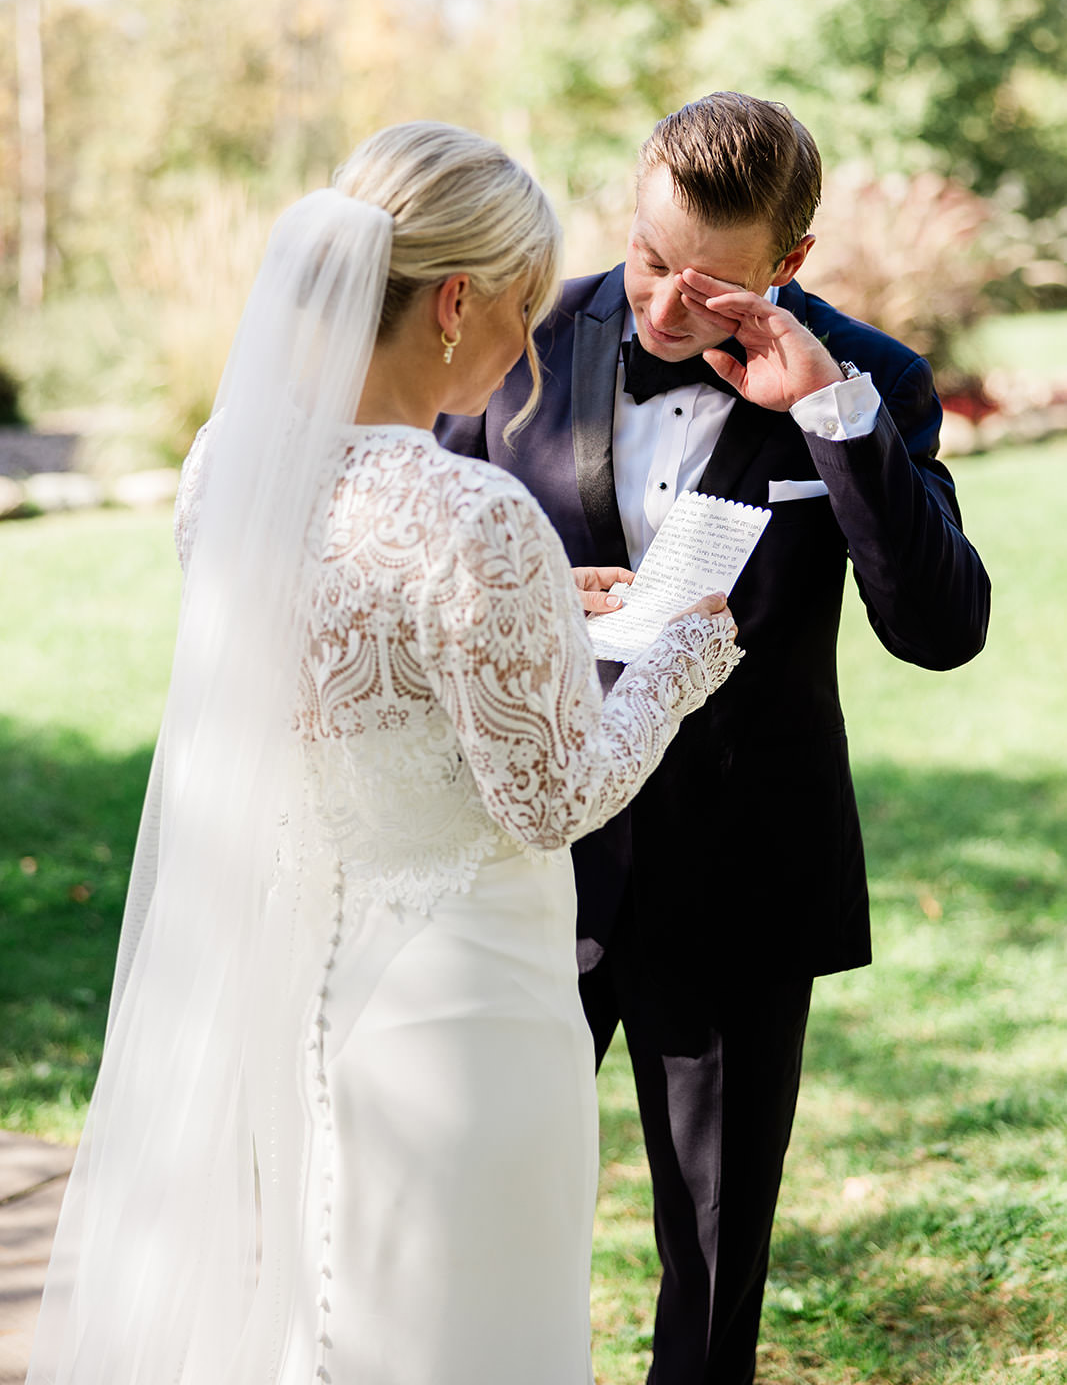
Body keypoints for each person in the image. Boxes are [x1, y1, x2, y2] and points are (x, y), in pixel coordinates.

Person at [26, 121, 744, 1385]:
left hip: (305, 976)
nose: (530, 346)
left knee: (327, 1317)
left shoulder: (224, 470)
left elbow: (339, 659)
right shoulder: (470, 512)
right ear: (455, 302)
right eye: (522, 309)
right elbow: (553, 796)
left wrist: (536, 607)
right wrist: (677, 664)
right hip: (468, 1008)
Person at [437, 92, 992, 1385]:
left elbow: (938, 630)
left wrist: (830, 420)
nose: (662, 308)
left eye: (708, 286)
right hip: (524, 856)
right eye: (647, 257)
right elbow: (428, 573)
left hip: (742, 870)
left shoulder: (868, 381)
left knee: (711, 1248)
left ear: (788, 263)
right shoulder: (519, 336)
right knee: (465, 1202)